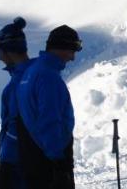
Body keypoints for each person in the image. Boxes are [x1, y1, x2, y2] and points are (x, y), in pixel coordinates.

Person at [17, 25, 82, 189]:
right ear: (62, 47)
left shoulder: (32, 72)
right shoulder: (48, 77)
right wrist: (58, 162)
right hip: (49, 163)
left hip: (34, 157)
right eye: (73, 50)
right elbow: (49, 120)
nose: (73, 57)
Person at [0, 17, 32, 189]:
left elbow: (17, 127)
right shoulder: (26, 77)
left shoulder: (21, 83)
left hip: (20, 167)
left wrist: (6, 165)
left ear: (8, 50)